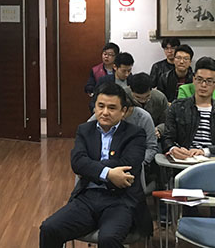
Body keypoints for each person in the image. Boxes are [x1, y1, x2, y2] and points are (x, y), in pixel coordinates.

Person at [39, 82, 146, 248]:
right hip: (87, 197)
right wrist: (108, 173)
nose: (105, 112)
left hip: (121, 200)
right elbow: (77, 162)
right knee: (49, 228)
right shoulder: (84, 130)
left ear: (123, 111)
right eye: (101, 106)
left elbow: (129, 164)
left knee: (109, 239)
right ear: (94, 107)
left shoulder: (135, 134)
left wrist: (91, 167)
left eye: (112, 108)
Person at [162, 57, 215, 160]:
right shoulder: (178, 107)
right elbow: (167, 138)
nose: (203, 85)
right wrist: (173, 148)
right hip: (185, 159)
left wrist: (205, 151)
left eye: (209, 81)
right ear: (194, 80)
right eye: (199, 79)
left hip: (213, 160)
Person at [126, 72, 167, 139]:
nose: (143, 100)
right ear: (131, 90)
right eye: (138, 97)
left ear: (151, 89)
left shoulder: (160, 98)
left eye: (147, 96)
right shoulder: (122, 96)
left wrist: (159, 129)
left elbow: (168, 121)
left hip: (153, 134)